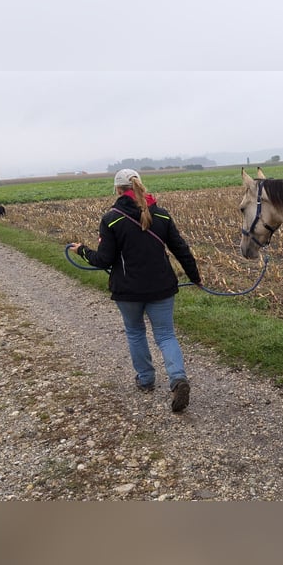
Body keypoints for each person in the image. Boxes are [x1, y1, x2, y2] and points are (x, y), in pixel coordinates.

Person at [69, 168, 202, 412]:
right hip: (162, 287)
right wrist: (196, 278)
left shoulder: (111, 219)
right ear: (139, 186)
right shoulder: (161, 215)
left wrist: (82, 251)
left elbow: (104, 260)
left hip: (128, 290)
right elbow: (181, 249)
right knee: (165, 335)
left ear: (117, 190)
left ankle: (146, 380)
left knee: (135, 332)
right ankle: (177, 378)